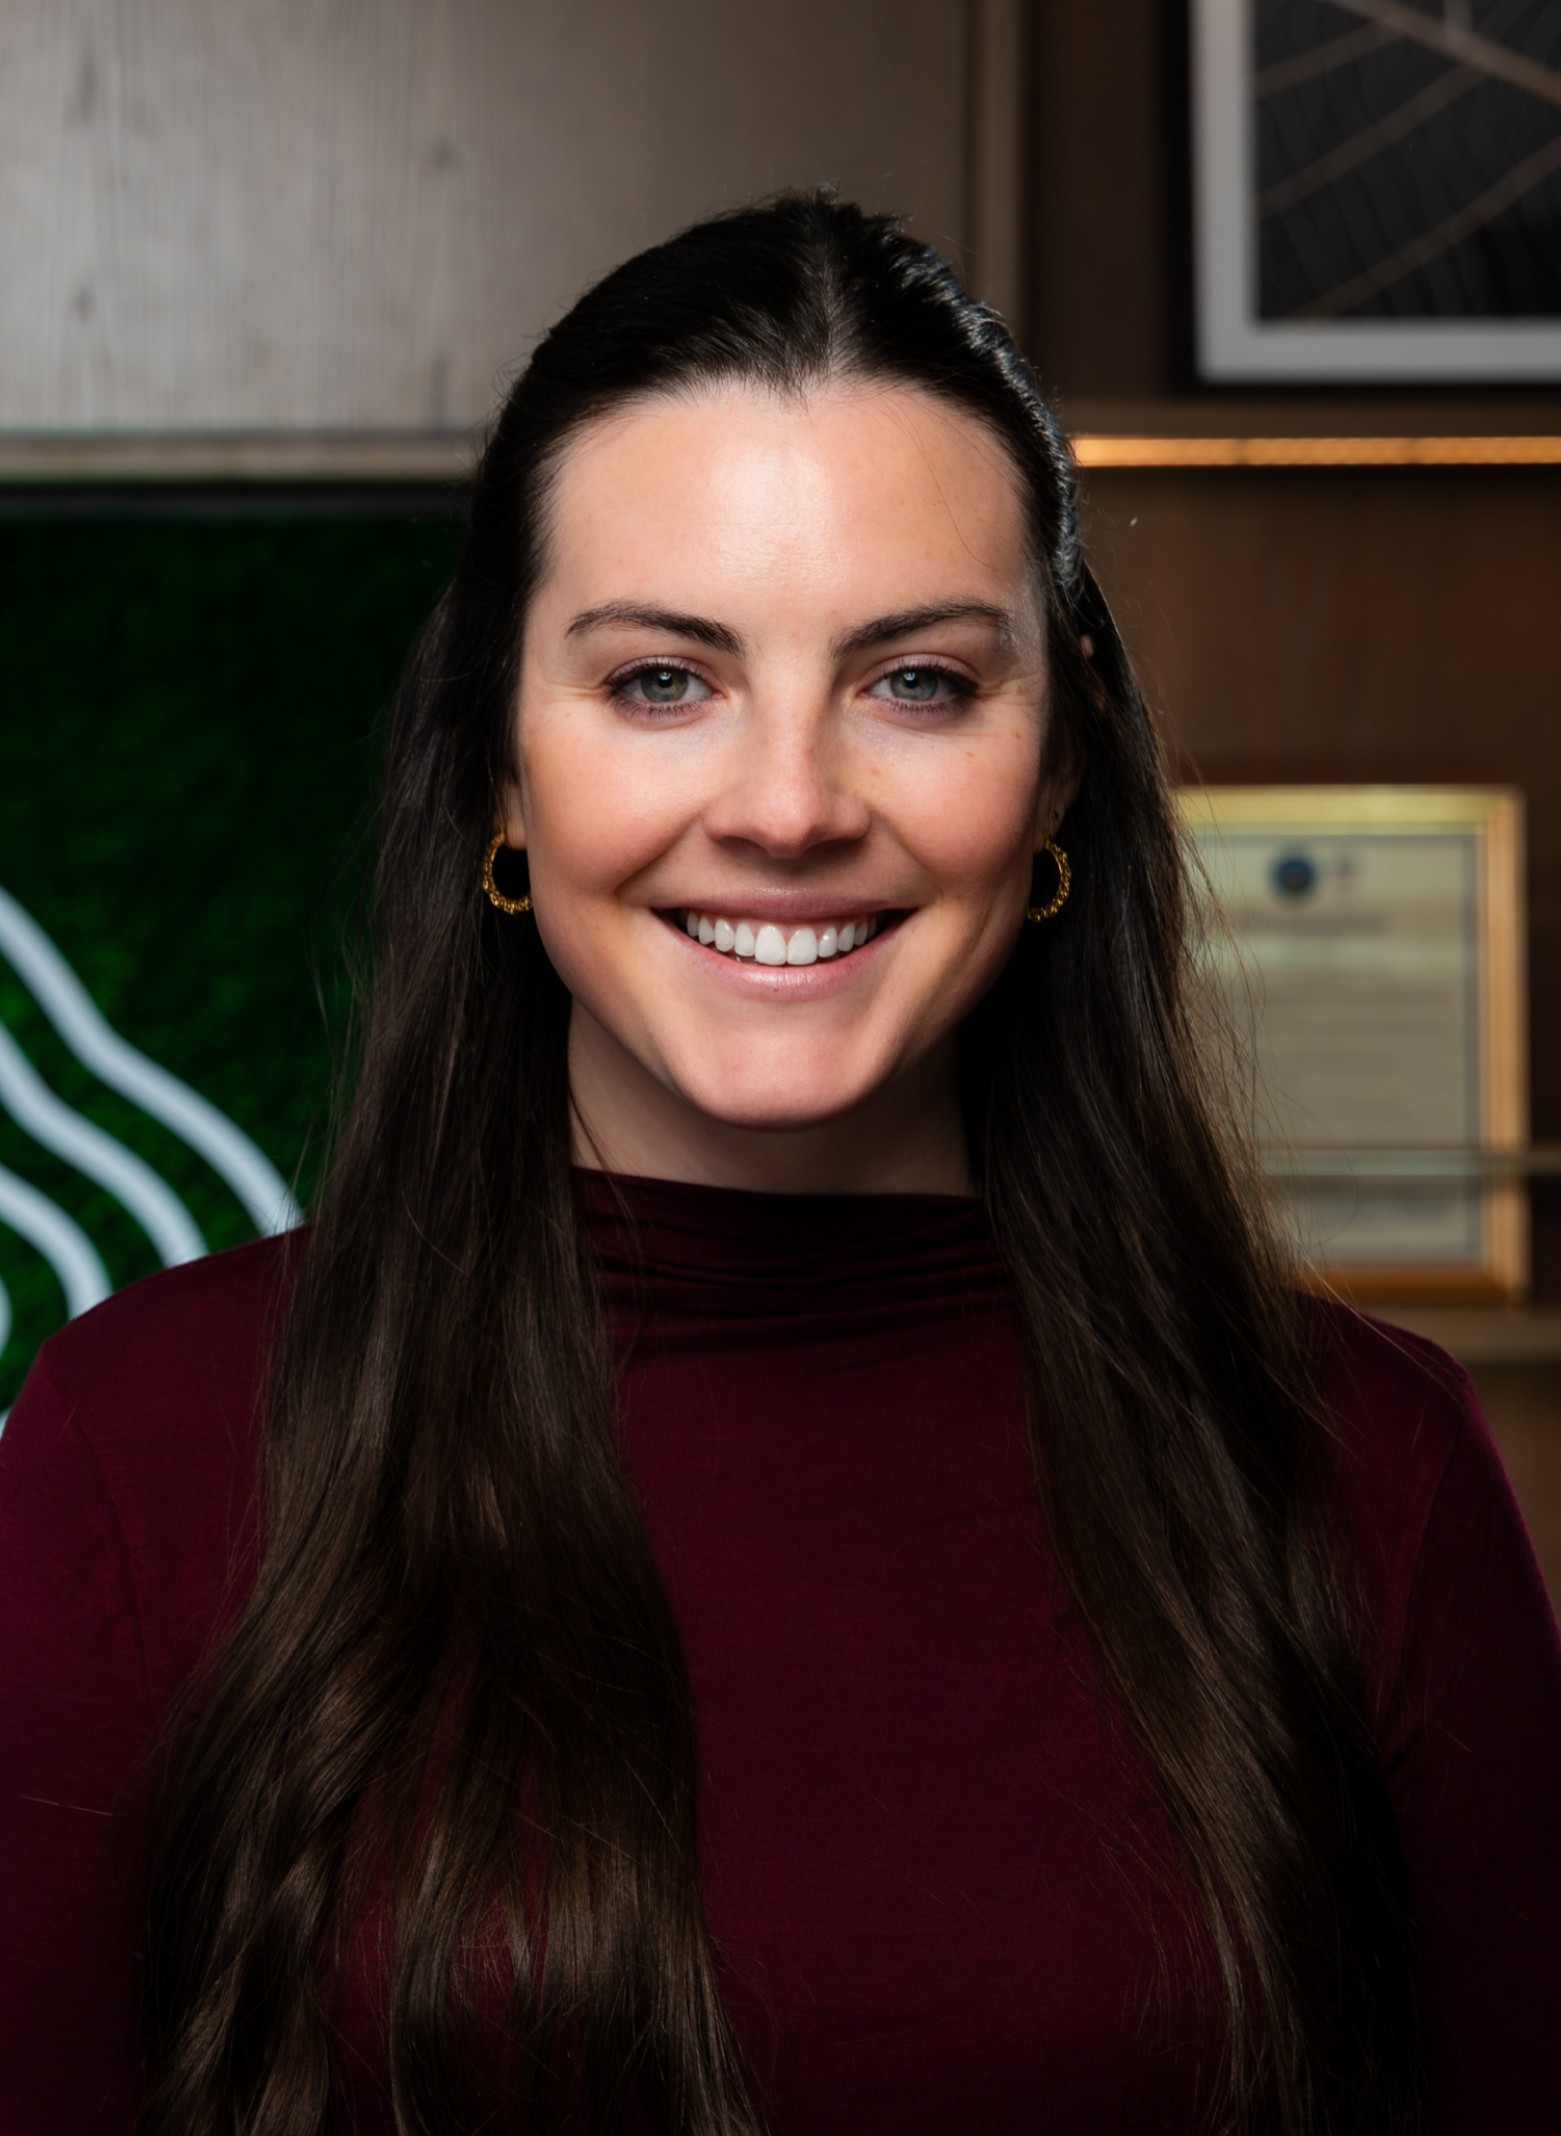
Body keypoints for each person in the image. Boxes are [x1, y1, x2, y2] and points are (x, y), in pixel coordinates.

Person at [2, 193, 1558, 2136]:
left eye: (915, 681)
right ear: (498, 762)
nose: (792, 806)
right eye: (665, 679)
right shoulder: (140, 1445)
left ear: (1059, 762)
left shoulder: (1364, 1472)